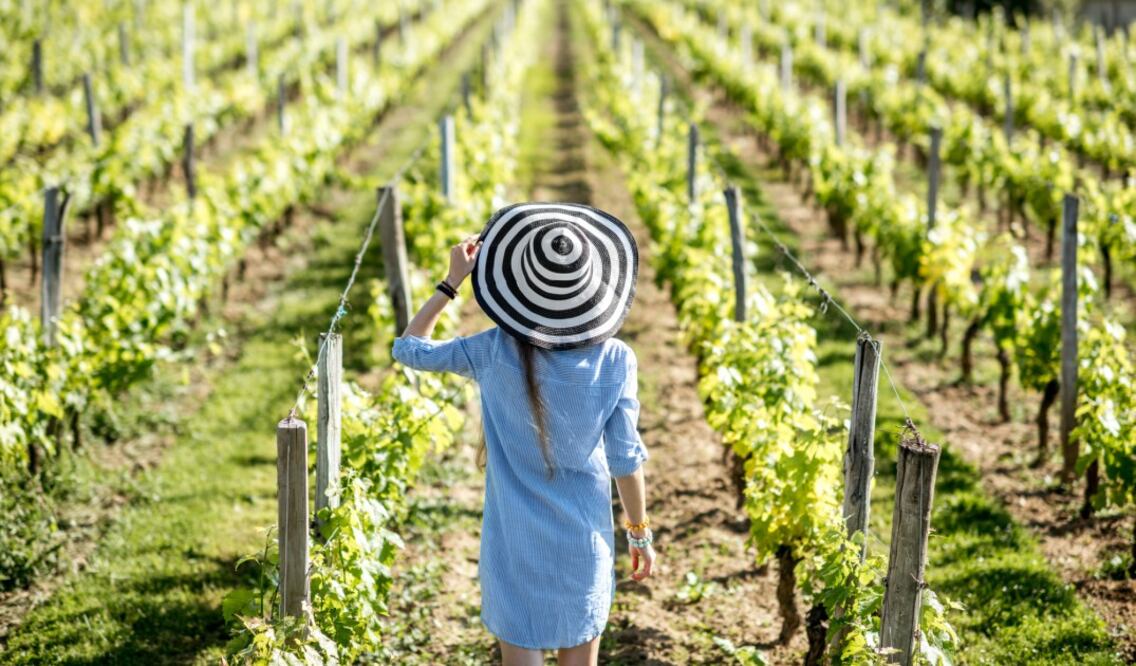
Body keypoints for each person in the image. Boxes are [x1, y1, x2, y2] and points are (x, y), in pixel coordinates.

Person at [392, 202, 657, 666]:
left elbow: (409, 349)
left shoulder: (493, 349)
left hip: (513, 546)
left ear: (519, 285)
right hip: (583, 543)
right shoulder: (616, 359)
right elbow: (624, 460)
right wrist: (639, 533)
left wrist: (452, 282)